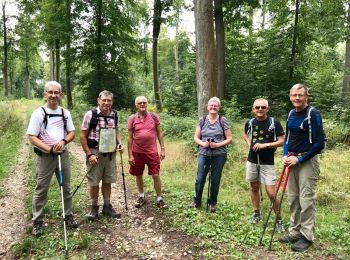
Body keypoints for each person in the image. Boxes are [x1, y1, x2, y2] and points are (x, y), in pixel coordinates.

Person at [27, 81, 78, 236]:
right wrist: (49, 149)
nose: (53, 95)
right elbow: (32, 137)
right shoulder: (38, 113)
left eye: (57, 93)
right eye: (50, 92)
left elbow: (71, 133)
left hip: (63, 154)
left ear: (61, 95)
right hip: (45, 157)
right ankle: (37, 221)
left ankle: (68, 215)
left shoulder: (65, 113)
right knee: (41, 188)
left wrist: (63, 141)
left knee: (66, 186)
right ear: (45, 94)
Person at [279, 83, 325, 252]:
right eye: (294, 95)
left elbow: (320, 143)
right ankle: (295, 231)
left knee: (306, 199)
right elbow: (287, 138)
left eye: (300, 95)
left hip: (307, 161)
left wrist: (300, 158)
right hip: (291, 160)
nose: (297, 98)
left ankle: (306, 236)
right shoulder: (291, 113)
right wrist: (285, 155)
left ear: (307, 96)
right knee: (293, 198)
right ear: (290, 96)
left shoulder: (313, 114)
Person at [242, 98, 285, 232]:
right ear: (253, 109)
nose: (260, 109)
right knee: (254, 187)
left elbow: (282, 141)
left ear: (267, 108)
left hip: (268, 162)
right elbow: (244, 134)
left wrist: (265, 145)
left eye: (263, 107)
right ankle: (256, 213)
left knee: (271, 193)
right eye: (257, 107)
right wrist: (250, 144)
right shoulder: (250, 122)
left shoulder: (274, 123)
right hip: (252, 160)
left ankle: (278, 219)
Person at [80, 90, 124, 220]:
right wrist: (89, 154)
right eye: (103, 100)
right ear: (98, 100)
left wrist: (120, 143)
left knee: (107, 180)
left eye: (109, 100)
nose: (106, 103)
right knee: (94, 181)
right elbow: (82, 136)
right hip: (94, 152)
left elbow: (116, 130)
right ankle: (94, 208)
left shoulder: (114, 114)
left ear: (112, 102)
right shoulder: (90, 115)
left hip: (110, 153)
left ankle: (107, 206)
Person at [190, 97, 232, 212]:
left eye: (216, 105)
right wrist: (203, 143)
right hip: (204, 153)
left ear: (219, 107)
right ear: (207, 107)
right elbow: (196, 137)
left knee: (215, 179)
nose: (213, 107)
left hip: (219, 154)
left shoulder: (223, 120)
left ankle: (212, 203)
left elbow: (229, 139)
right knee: (200, 178)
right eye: (211, 105)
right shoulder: (202, 120)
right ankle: (196, 201)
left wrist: (218, 145)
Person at [127, 96, 168, 209]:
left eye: (144, 102)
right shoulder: (132, 118)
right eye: (140, 103)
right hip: (137, 152)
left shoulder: (154, 116)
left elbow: (159, 133)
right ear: (136, 105)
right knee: (138, 174)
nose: (142, 104)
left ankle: (159, 198)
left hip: (152, 152)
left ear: (147, 104)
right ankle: (141, 196)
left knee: (155, 175)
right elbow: (130, 138)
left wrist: (163, 149)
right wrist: (130, 155)